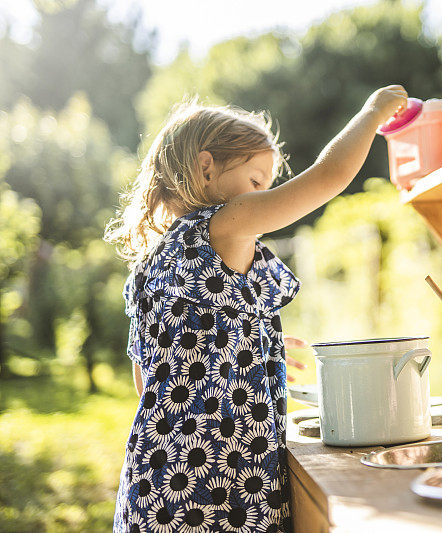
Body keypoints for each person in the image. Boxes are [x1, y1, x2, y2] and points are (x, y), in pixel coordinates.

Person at [104, 85, 408, 532]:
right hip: (217, 488)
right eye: (256, 183)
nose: (262, 196)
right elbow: (329, 177)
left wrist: (238, 346)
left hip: (156, 483)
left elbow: (149, 377)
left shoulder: (152, 264)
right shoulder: (224, 223)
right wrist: (372, 111)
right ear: (205, 166)